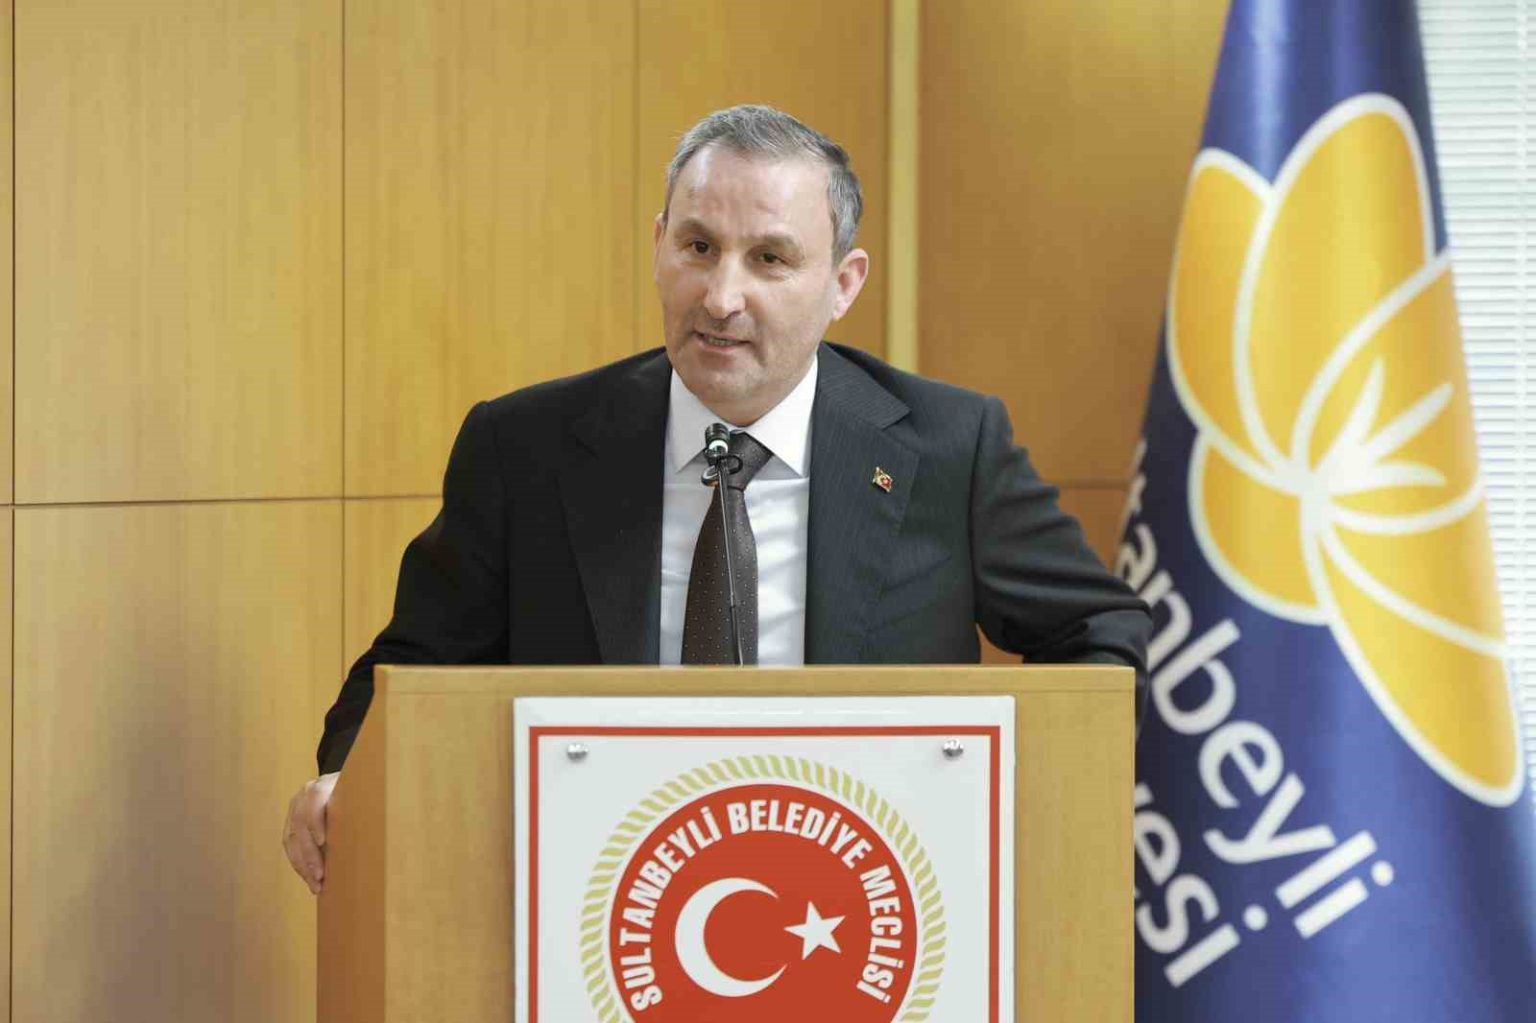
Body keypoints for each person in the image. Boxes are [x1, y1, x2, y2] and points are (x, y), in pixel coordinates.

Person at [283, 104, 1151, 893]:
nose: (721, 297)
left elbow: (1101, 634)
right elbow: (411, 670)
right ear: (658, 244)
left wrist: (1003, 799)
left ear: (843, 284)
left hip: (870, 902)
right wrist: (346, 779)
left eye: (769, 258)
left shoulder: (948, 447)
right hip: (597, 899)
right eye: (698, 247)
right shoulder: (527, 447)